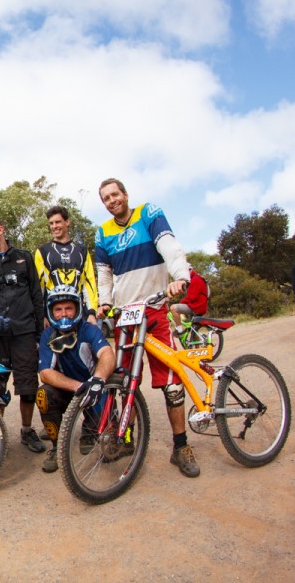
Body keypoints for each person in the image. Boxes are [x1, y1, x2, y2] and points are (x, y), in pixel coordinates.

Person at [94, 177, 197, 477]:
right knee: (123, 382)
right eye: (106, 198)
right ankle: (125, 439)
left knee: (172, 383)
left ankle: (181, 447)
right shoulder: (102, 233)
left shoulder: (148, 214)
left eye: (115, 194)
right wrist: (103, 302)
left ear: (125, 195)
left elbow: (169, 246)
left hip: (154, 310)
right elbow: (104, 274)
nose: (112, 200)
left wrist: (180, 276)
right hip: (125, 316)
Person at [0, 216, 46, 454]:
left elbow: (37, 295)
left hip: (24, 332)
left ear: (1, 230)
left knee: (28, 386)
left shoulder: (24, 257)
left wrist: (39, 334)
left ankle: (26, 430)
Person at [36, 286, 114, 473]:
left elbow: (108, 354)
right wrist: (79, 386)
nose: (64, 314)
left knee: (110, 434)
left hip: (94, 387)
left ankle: (88, 431)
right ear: (51, 312)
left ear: (78, 308)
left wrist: (97, 380)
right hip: (70, 389)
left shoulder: (89, 330)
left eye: (68, 308)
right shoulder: (48, 334)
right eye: (58, 309)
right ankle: (56, 448)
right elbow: (45, 372)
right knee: (43, 395)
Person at [34, 205, 98, 326]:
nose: (54, 226)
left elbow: (89, 283)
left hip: (78, 312)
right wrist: (41, 315)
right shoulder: (43, 251)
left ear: (67, 222)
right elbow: (38, 286)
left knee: (83, 345)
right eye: (51, 223)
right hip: (52, 314)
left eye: (58, 222)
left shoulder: (81, 250)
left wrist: (91, 312)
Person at [169, 268, 209, 334]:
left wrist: (180, 303)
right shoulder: (198, 278)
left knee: (173, 308)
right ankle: (196, 344)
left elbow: (191, 297)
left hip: (196, 307)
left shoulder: (195, 279)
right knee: (194, 331)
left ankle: (179, 330)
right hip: (200, 306)